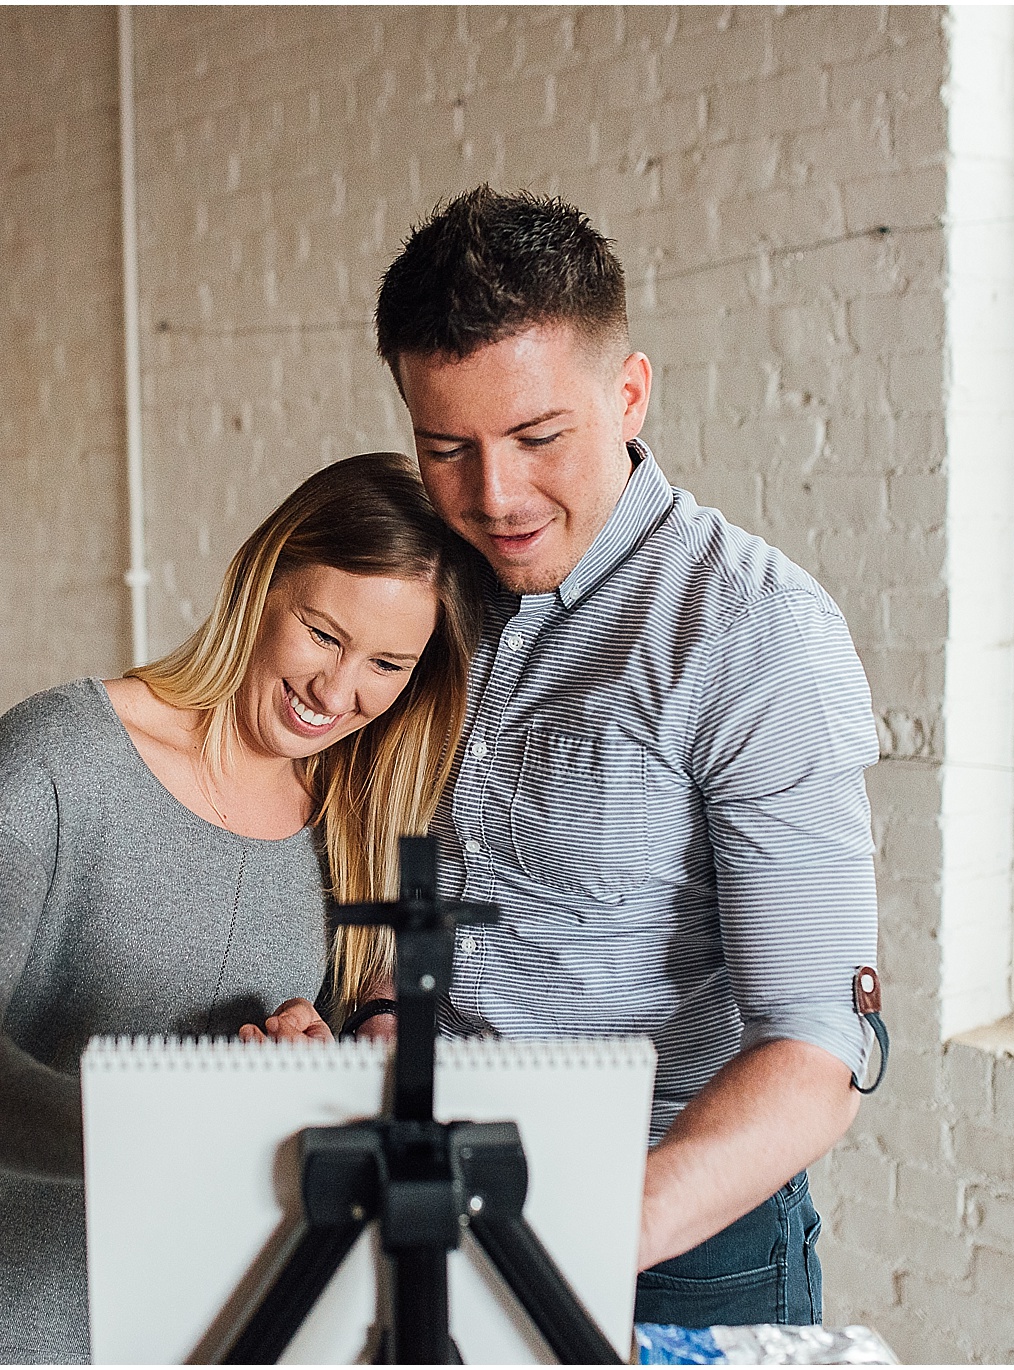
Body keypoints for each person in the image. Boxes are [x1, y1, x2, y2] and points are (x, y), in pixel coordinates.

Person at [365, 186, 881, 1331]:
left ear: (629, 391)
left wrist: (584, 1234)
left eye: (539, 438)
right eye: (444, 447)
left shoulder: (753, 633)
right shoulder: (424, 592)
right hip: (427, 1195)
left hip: (674, 1240)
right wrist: (373, 1014)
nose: (493, 497)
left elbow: (813, 1053)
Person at [0, 452, 480, 1363]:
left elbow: (334, 1058)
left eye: (386, 664)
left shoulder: (352, 821)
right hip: (0, 1319)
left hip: (219, 1324)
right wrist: (147, 1133)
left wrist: (322, 1057)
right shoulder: (56, 753)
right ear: (259, 580)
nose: (337, 691)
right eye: (321, 633)